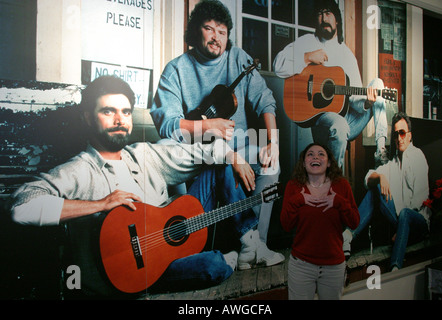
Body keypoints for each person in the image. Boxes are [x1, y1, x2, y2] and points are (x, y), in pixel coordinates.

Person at [9, 75, 267, 298]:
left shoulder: (142, 154)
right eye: (108, 111)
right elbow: (21, 207)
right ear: (88, 117)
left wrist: (232, 156)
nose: (120, 119)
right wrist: (100, 204)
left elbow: (203, 152)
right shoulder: (80, 169)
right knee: (214, 265)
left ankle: (248, 243)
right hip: (140, 270)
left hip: (172, 240)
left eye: (126, 111)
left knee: (219, 163)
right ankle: (228, 259)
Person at [150, 0, 284, 269]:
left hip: (242, 144)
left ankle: (257, 244)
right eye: (209, 29)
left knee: (272, 162)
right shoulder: (176, 69)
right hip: (199, 149)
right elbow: (167, 124)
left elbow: (265, 100)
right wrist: (207, 127)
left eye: (222, 32)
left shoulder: (238, 58)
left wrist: (273, 142)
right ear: (195, 32)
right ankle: (238, 245)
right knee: (208, 158)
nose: (216, 37)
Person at [273, 0, 388, 168]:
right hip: (323, 119)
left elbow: (355, 99)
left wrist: (366, 102)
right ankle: (333, 181)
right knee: (339, 125)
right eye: (319, 14)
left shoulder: (346, 54)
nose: (324, 18)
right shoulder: (306, 42)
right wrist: (307, 57)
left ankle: (381, 151)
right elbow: (278, 65)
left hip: (349, 120)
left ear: (337, 20)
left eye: (328, 13)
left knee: (377, 83)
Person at [343, 112, 430, 271]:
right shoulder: (394, 162)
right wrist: (380, 176)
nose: (399, 138)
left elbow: (420, 200)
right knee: (375, 187)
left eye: (402, 133)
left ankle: (395, 266)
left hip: (418, 222)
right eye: (396, 134)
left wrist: (403, 231)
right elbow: (367, 179)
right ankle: (347, 236)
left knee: (405, 213)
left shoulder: (418, 157)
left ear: (409, 136)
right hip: (400, 222)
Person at [280, 143, 359, 300]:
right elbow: (286, 225)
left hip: (334, 267)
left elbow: (354, 222)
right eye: (310, 154)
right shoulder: (294, 187)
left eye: (321, 154)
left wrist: (338, 201)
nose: (315, 156)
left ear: (329, 162)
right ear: (303, 163)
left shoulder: (341, 186)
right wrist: (299, 199)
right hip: (301, 266)